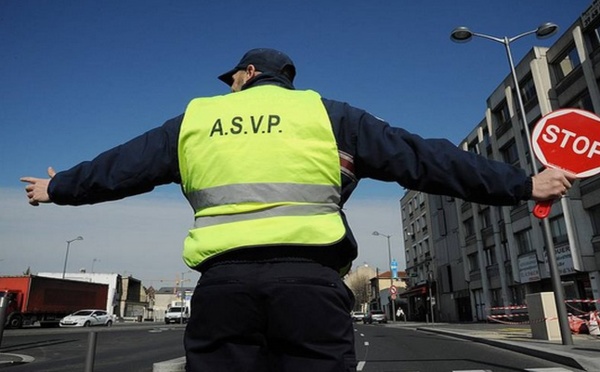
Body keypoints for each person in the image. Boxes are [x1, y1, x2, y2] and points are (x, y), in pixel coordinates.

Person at [21, 48, 573, 372]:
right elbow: (426, 159)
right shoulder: (328, 115)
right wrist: (523, 184)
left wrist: (61, 188)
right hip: (309, 286)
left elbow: (123, 166)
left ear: (246, 75)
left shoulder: (196, 120)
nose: (229, 84)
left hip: (224, 286)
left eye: (231, 77)